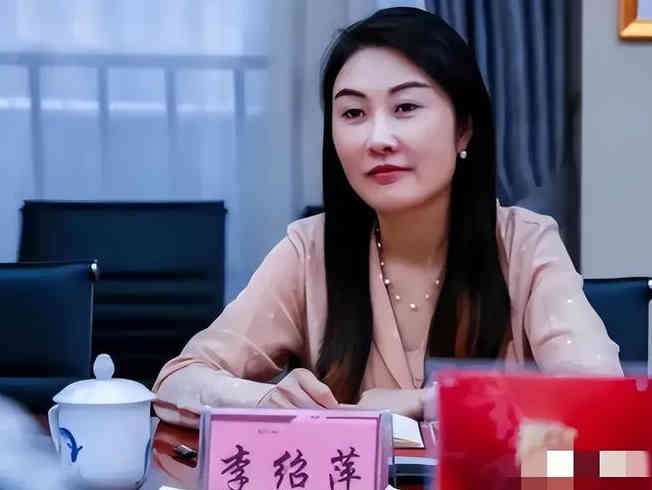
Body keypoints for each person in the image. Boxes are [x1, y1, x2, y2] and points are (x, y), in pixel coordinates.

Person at [152, 7, 622, 428]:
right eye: (353, 113)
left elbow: (601, 398)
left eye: (406, 108)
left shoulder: (525, 244)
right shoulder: (309, 250)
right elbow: (179, 380)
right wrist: (267, 401)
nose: (378, 139)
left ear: (464, 129)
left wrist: (426, 402)